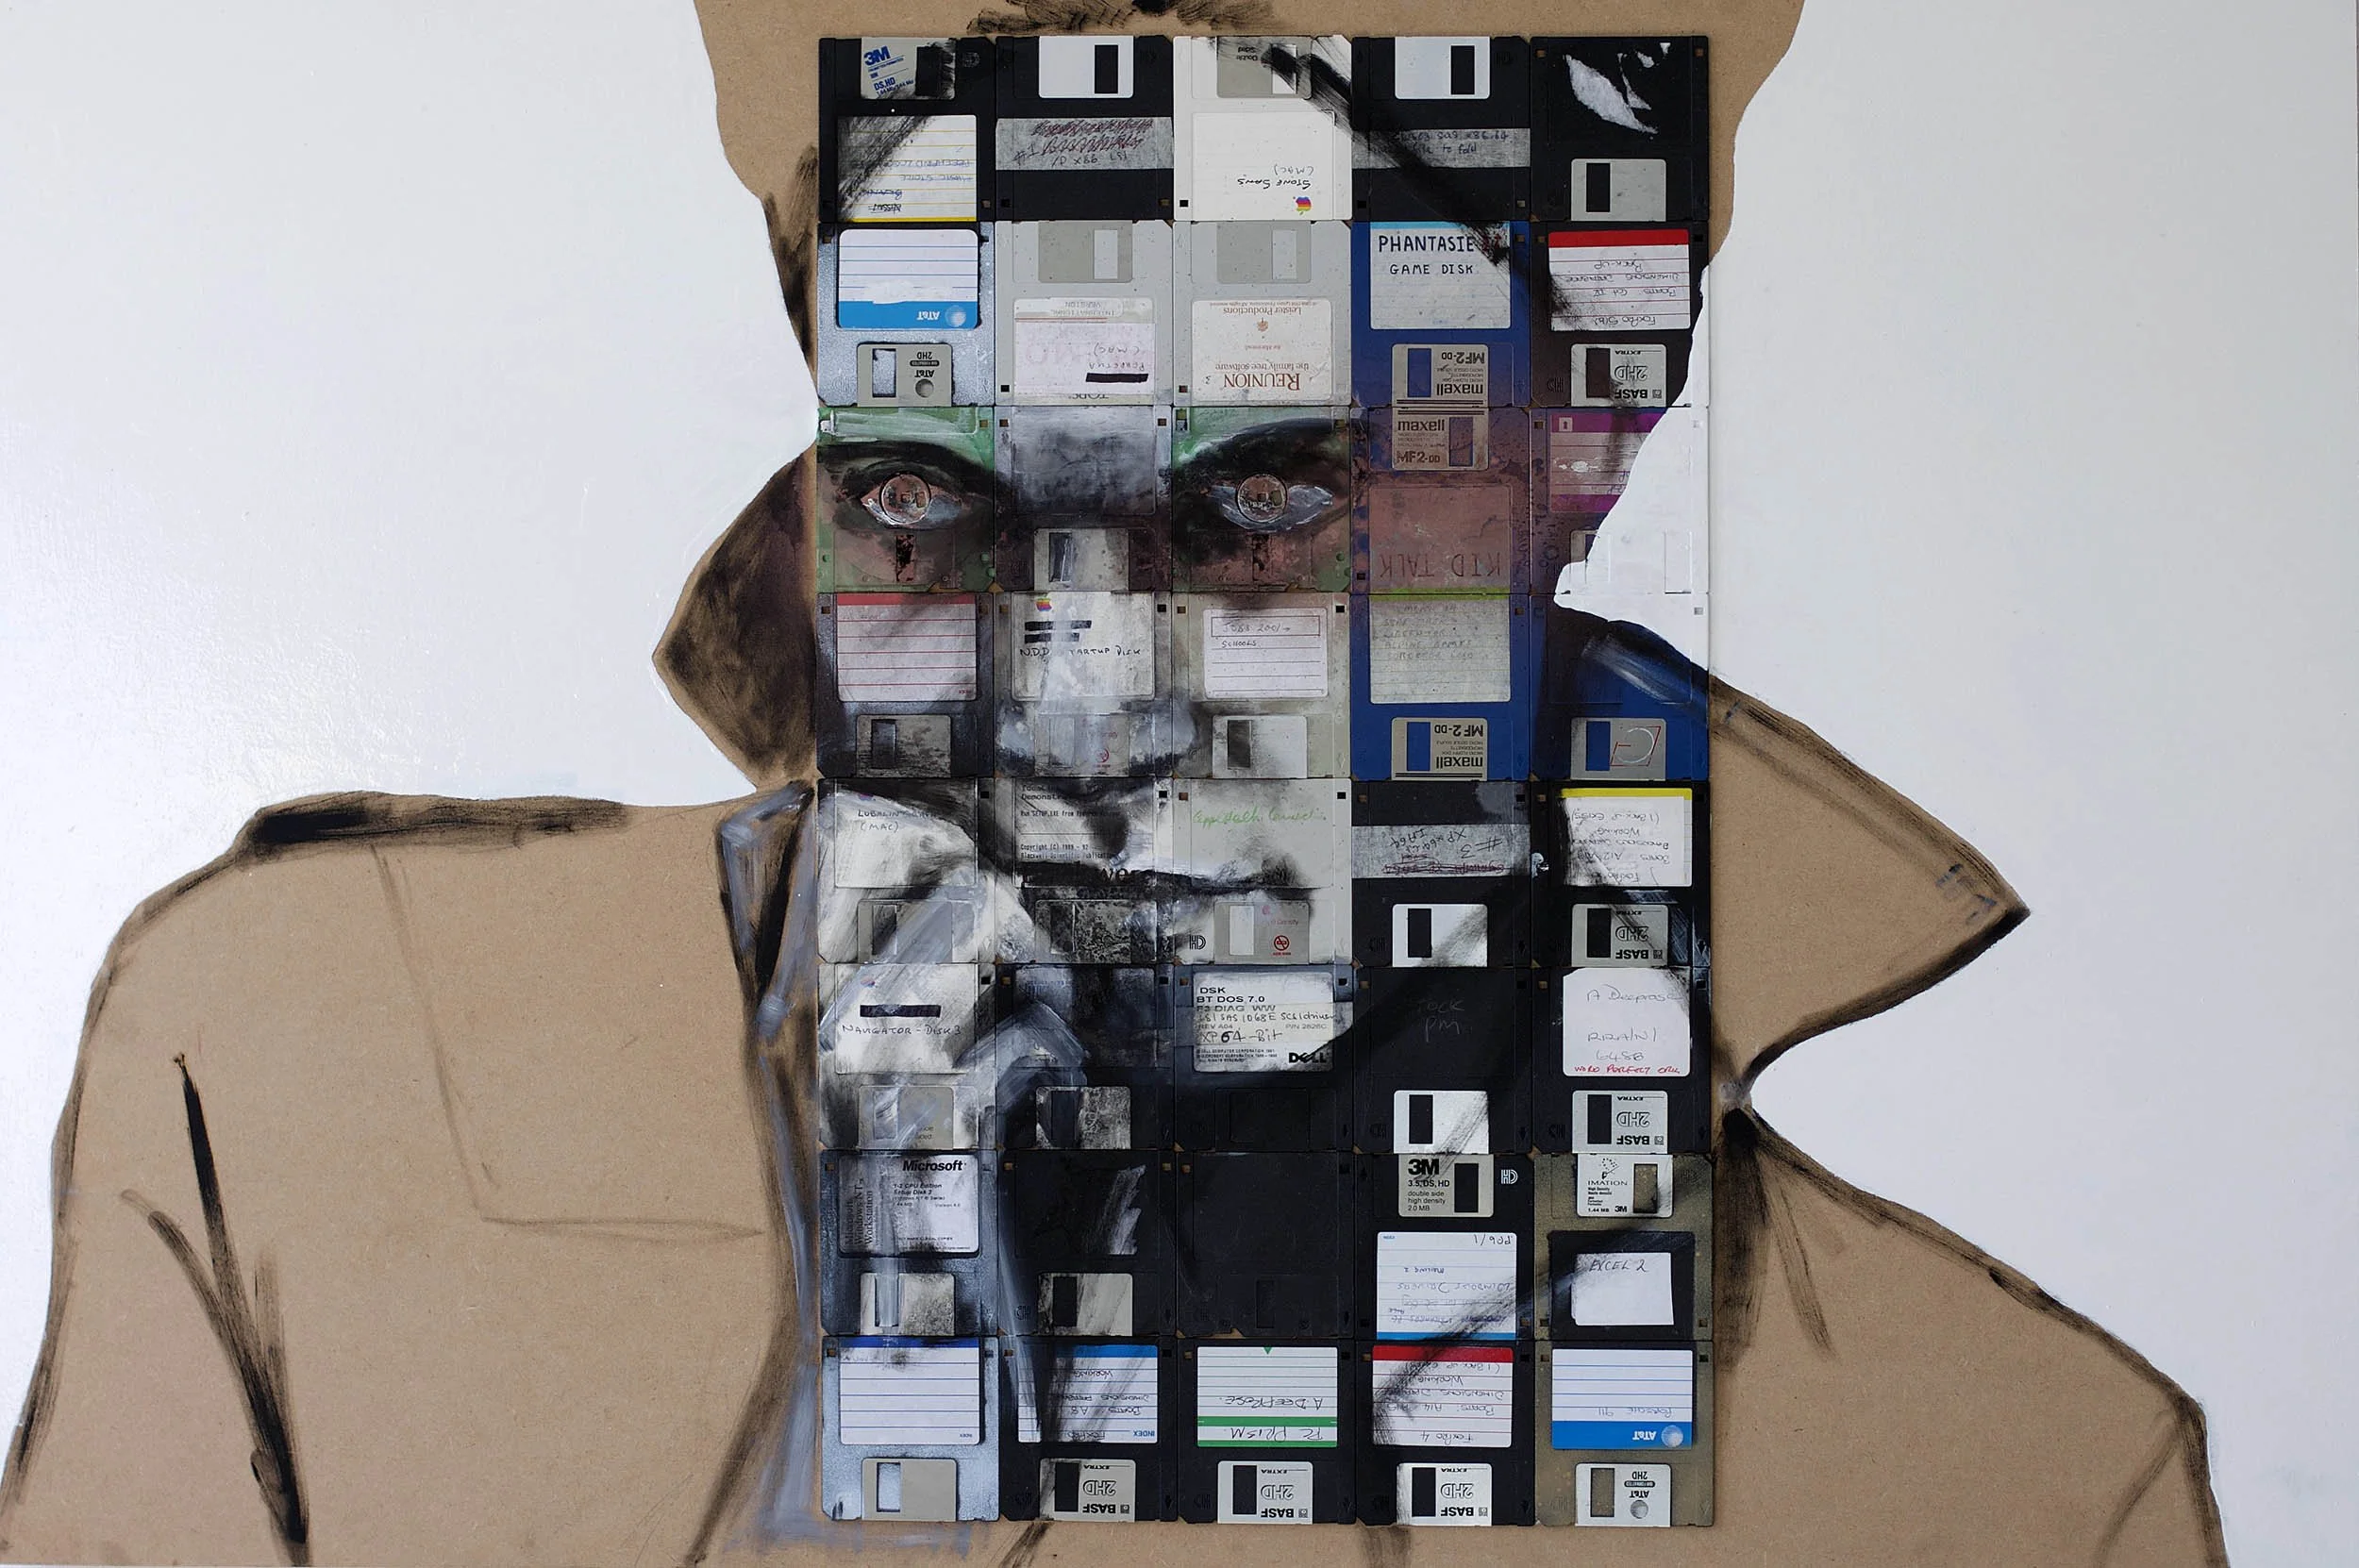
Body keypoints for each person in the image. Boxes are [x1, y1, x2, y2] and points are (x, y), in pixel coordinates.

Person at [0, 3, 2225, 1564]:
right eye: (921, 498)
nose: (1072, 710)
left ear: (1579, 456)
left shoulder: (2015, 1476)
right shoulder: (309, 1060)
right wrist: (892, 1400)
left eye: (1267, 502)